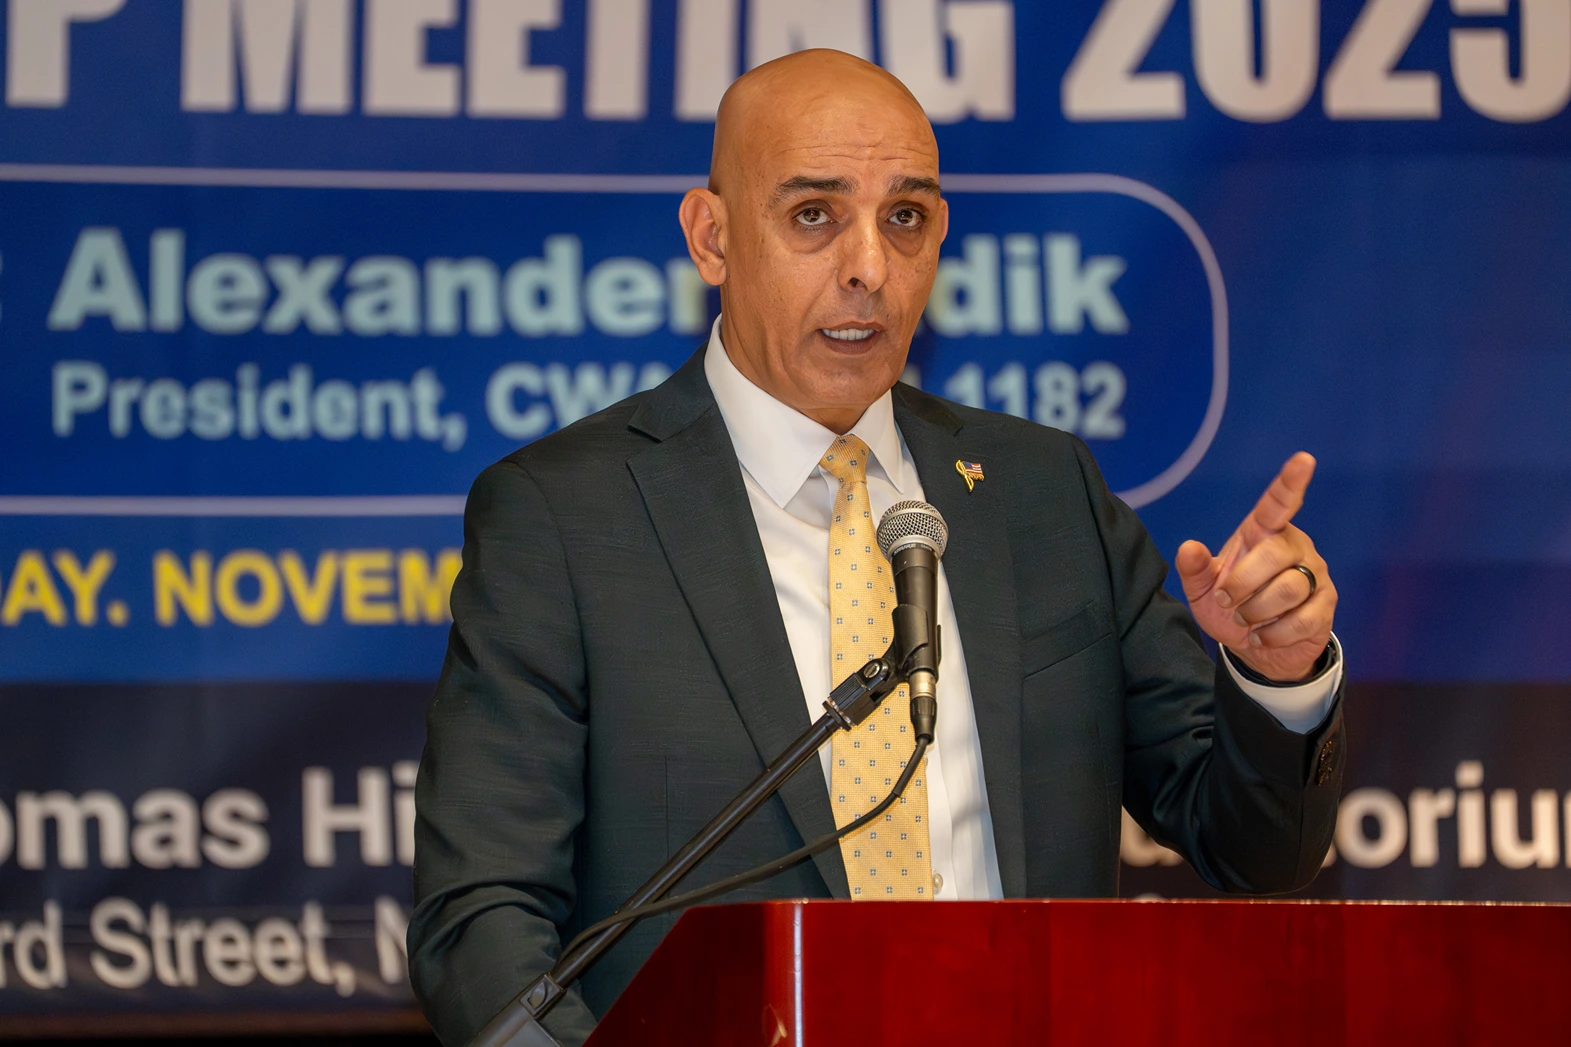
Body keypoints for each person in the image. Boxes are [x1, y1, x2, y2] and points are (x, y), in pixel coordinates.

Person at [409, 49, 1344, 1047]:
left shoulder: (1041, 491)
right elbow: (481, 922)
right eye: (814, 214)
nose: (868, 267)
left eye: (904, 217)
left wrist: (1275, 679)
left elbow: (1253, 849)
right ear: (712, 238)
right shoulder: (565, 515)